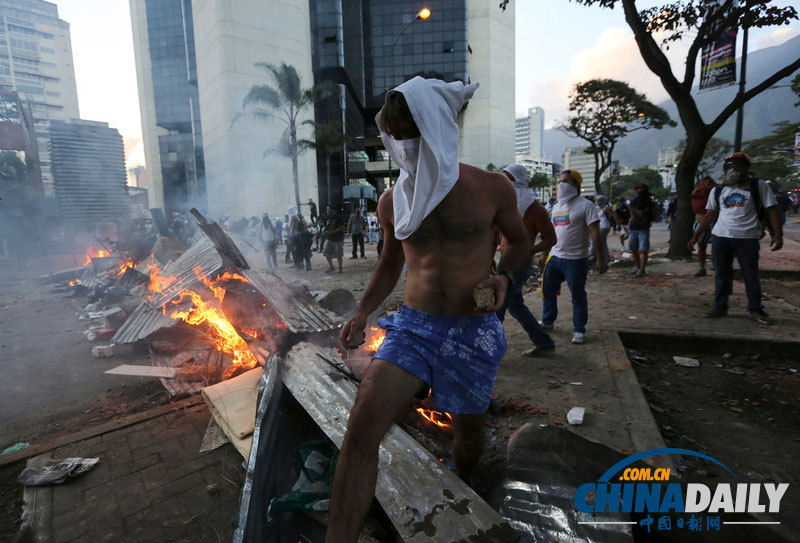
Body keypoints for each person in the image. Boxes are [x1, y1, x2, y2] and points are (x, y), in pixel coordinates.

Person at [328, 77, 529, 543]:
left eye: (410, 133)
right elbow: (389, 262)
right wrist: (362, 311)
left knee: (469, 442)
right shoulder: (391, 201)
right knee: (360, 431)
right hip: (413, 328)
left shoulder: (491, 188)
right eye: (396, 136)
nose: (404, 145)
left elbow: (519, 242)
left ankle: (465, 489)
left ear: (437, 127)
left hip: (471, 331)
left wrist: (506, 277)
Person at [689, 152, 783, 324]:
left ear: (746, 168)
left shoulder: (758, 186)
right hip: (721, 237)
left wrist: (778, 234)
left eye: (738, 165)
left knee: (750, 275)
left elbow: (772, 210)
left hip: (747, 238)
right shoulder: (718, 190)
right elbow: (709, 215)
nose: (734, 170)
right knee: (721, 275)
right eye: (731, 166)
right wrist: (696, 235)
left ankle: (755, 309)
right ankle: (720, 306)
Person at [538, 170, 608, 345]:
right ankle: (548, 321)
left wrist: (600, 259)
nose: (562, 184)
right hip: (554, 257)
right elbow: (551, 233)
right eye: (560, 181)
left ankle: (579, 330)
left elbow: (595, 235)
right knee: (548, 291)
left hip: (576, 259)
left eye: (567, 181)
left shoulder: (586, 205)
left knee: (577, 295)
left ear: (577, 185)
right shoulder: (556, 206)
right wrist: (545, 253)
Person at [496, 164, 557, 356]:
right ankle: (545, 343)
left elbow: (551, 238)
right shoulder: (506, 204)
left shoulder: (535, 209)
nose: (504, 182)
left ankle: (485, 352)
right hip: (504, 261)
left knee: (497, 308)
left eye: (508, 178)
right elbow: (496, 233)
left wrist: (530, 250)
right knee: (515, 306)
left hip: (520, 265)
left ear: (517, 181)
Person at [628, 184, 659, 277]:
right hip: (634, 227)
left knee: (643, 250)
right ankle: (639, 268)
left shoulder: (650, 202)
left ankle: (641, 269)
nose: (639, 191)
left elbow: (654, 215)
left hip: (643, 228)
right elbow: (632, 213)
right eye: (638, 189)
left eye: (641, 189)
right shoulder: (634, 201)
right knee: (634, 249)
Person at [690, 176, 716, 277]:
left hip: (712, 221)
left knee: (716, 246)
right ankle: (702, 268)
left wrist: (706, 187)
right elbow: (693, 194)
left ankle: (715, 266)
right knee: (701, 246)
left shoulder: (715, 190)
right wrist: (702, 188)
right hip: (700, 220)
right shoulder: (698, 190)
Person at [590, 195, 619, 264]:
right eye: (597, 200)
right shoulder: (595, 207)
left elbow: (615, 216)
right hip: (598, 227)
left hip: (604, 226)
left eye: (600, 200)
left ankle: (595, 256)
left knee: (597, 241)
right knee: (600, 242)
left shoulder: (607, 208)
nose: (598, 201)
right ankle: (600, 257)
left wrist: (618, 225)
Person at [323, 206, 345, 273]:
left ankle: (340, 267)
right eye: (327, 209)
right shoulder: (327, 218)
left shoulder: (338, 217)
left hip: (338, 239)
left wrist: (331, 232)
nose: (327, 211)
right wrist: (324, 231)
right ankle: (331, 266)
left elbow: (341, 228)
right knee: (326, 252)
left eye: (328, 209)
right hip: (329, 238)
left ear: (332, 210)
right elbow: (325, 227)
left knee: (339, 254)